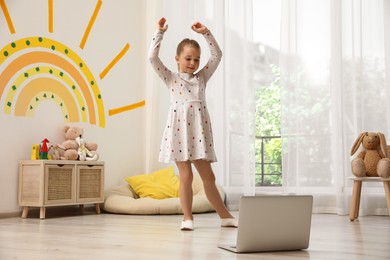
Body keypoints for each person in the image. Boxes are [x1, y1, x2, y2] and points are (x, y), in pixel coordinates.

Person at [148, 17, 237, 231]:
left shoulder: (201, 78)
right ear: (177, 58)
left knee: (209, 176)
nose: (193, 63)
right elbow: (152, 57)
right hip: (179, 134)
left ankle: (225, 216)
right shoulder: (170, 78)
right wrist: (159, 32)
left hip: (198, 133)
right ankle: (187, 218)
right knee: (185, 176)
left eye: (196, 59)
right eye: (188, 58)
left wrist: (207, 33)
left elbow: (217, 56)